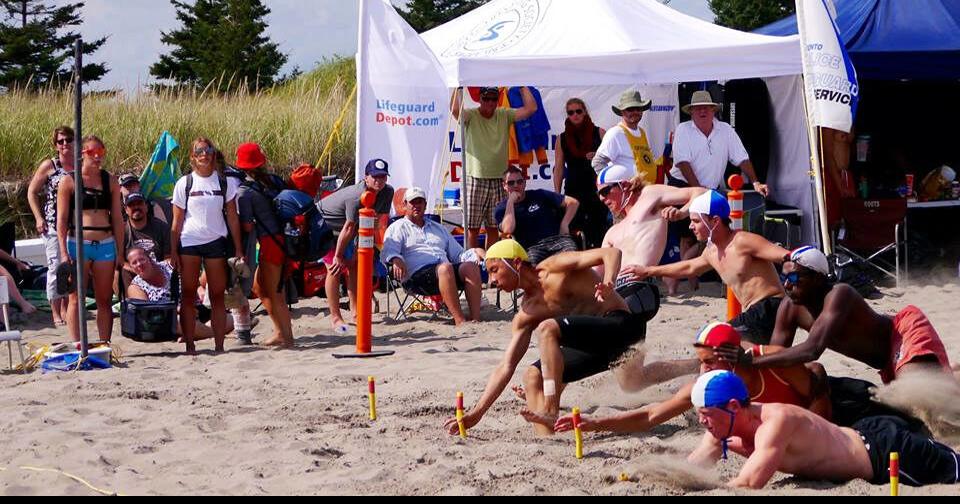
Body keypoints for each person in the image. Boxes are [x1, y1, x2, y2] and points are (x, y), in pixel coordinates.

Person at [443, 240, 648, 437]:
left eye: (494, 270)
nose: (492, 281)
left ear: (515, 263)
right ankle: (549, 441)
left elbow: (611, 253)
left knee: (548, 328)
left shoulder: (555, 267)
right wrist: (476, 414)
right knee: (532, 377)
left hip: (622, 329)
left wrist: (608, 282)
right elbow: (506, 365)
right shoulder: (526, 313)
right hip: (596, 351)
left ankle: (550, 410)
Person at [718, 247, 954, 385]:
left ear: (818, 279)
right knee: (924, 391)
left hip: (904, 331)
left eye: (793, 279)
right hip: (885, 360)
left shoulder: (839, 294)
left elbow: (812, 350)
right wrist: (746, 356)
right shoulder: (788, 307)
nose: (787, 286)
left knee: (920, 393)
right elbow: (777, 355)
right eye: (784, 279)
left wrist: (751, 360)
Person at [686, 371, 960, 489]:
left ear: (734, 406)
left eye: (706, 414)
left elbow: (748, 484)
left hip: (882, 451)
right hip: (862, 433)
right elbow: (690, 470)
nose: (702, 421)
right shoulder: (723, 428)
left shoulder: (775, 422)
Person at [552, 322, 831, 435]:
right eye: (701, 363)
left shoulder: (773, 360)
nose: (703, 371)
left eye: (709, 362)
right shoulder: (707, 386)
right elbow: (651, 415)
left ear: (732, 354)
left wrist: (814, 433)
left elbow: (817, 382)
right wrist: (596, 423)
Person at [623, 190, 790, 345]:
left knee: (714, 342)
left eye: (695, 221)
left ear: (715, 221)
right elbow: (689, 267)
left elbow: (787, 256)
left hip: (772, 308)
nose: (690, 226)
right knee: (715, 348)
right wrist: (648, 271)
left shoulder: (742, 241)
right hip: (755, 314)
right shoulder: (711, 252)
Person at [170, 137, 244, 354]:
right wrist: (173, 250)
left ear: (213, 153)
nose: (204, 154)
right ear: (193, 156)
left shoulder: (224, 182)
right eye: (199, 151)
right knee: (189, 294)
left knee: (218, 296)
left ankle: (219, 346)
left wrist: (238, 248)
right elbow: (176, 221)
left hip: (216, 241)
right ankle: (190, 345)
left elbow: (232, 218)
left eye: (208, 149)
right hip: (190, 241)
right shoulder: (184, 183)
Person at [595, 164, 706, 295]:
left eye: (605, 191)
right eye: (598, 194)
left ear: (624, 185)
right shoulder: (612, 231)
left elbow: (700, 193)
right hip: (616, 291)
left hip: (638, 286)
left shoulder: (648, 196)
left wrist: (682, 213)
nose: (602, 198)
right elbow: (597, 271)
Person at [382, 187, 485, 326]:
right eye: (413, 202)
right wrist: (395, 258)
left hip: (444, 272)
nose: (416, 205)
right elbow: (388, 251)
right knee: (445, 268)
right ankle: (460, 320)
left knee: (470, 267)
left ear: (425, 205)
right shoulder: (397, 227)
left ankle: (475, 318)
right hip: (416, 277)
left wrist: (475, 252)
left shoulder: (438, 228)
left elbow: (458, 255)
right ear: (405, 204)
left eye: (420, 202)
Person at [452, 86, 538, 249]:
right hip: (474, 178)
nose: (490, 103)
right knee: (472, 228)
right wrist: (458, 86)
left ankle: (491, 261)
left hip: (500, 179)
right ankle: (473, 261)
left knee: (494, 226)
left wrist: (521, 85)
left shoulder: (504, 114)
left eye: (493, 99)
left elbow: (531, 108)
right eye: (486, 99)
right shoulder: (471, 115)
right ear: (480, 99)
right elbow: (455, 109)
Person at [56, 135, 124, 343]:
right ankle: (78, 344)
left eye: (101, 152)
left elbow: (118, 219)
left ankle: (104, 344)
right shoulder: (69, 181)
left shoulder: (110, 180)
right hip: (78, 243)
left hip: (105, 243)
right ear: (82, 154)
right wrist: (64, 252)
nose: (97, 157)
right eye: (92, 152)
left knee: (104, 300)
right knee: (76, 298)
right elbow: (62, 220)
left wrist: (120, 252)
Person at [319, 158, 395, 334]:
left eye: (383, 177)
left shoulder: (386, 192)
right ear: (366, 177)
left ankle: (356, 312)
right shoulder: (355, 196)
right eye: (375, 177)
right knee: (334, 268)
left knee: (355, 264)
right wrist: (338, 256)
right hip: (324, 226)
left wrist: (373, 249)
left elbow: (378, 222)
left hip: (349, 230)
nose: (379, 181)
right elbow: (349, 227)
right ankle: (335, 317)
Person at [235, 142, 295, 348]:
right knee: (260, 286)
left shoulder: (244, 192)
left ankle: (287, 338)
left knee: (276, 293)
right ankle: (281, 332)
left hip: (270, 242)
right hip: (286, 239)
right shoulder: (275, 181)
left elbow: (247, 226)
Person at [668, 90, 769, 196]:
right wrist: (698, 190)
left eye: (706, 107)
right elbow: (683, 163)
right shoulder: (683, 129)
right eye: (698, 108)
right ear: (691, 112)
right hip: (682, 188)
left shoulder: (726, 129)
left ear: (713, 111)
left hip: (709, 191)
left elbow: (742, 158)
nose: (702, 111)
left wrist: (756, 183)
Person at [126, 247, 233, 341]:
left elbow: (193, 281)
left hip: (196, 308)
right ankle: (212, 334)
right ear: (131, 267)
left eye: (141, 259)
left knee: (229, 318)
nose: (139, 264)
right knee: (177, 321)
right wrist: (177, 309)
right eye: (134, 263)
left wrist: (199, 288)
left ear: (149, 258)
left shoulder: (170, 266)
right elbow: (148, 313)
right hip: (171, 319)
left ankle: (196, 334)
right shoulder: (136, 287)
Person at [27, 125, 74, 326]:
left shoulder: (80, 165)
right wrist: (39, 218)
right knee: (56, 268)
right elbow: (32, 192)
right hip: (54, 225)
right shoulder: (50, 166)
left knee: (72, 269)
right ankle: (56, 311)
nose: (64, 144)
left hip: (76, 227)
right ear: (55, 145)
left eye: (68, 140)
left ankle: (67, 307)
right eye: (60, 141)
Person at [554, 98, 609, 248]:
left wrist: (598, 155)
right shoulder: (562, 138)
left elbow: (612, 162)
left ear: (584, 111)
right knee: (574, 231)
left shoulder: (600, 132)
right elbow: (558, 167)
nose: (575, 115)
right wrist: (557, 195)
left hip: (596, 188)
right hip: (573, 189)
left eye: (578, 111)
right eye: (571, 112)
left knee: (599, 230)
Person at [495, 166, 579, 264]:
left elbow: (573, 202)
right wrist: (510, 202)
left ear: (525, 183)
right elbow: (508, 230)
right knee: (532, 267)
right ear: (504, 186)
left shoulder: (540, 194)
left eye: (519, 181)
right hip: (531, 247)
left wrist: (564, 224)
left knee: (572, 258)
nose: (516, 185)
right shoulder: (501, 209)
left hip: (557, 240)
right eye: (511, 183)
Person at [591, 89, 658, 187]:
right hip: (628, 194)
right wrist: (612, 188)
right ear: (622, 112)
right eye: (630, 109)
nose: (635, 112)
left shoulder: (641, 132)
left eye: (638, 109)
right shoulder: (616, 133)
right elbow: (597, 162)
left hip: (644, 191)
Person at [121, 192, 171, 288]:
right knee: (119, 272)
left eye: (139, 203)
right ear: (126, 210)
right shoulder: (121, 231)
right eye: (131, 205)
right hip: (134, 271)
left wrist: (154, 270)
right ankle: (130, 301)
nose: (136, 207)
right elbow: (120, 261)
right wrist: (138, 269)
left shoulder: (161, 227)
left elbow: (169, 257)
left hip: (159, 270)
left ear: (146, 207)